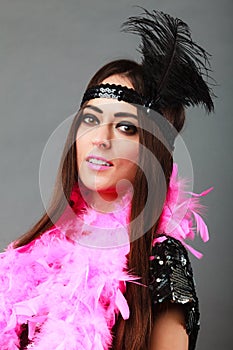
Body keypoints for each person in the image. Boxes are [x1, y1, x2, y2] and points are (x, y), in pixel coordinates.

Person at [0, 9, 214, 350]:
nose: (101, 137)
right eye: (90, 119)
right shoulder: (44, 251)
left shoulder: (161, 260)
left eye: (126, 127)